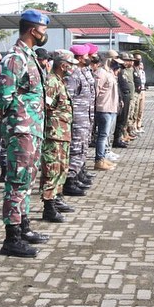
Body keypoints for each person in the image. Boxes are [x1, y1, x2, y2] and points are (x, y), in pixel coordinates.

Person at [0, 9, 49, 258]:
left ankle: (24, 226)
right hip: (21, 130)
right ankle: (11, 238)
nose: (44, 34)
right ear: (32, 30)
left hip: (32, 129)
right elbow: (4, 97)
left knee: (26, 182)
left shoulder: (29, 56)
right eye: (43, 29)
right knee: (16, 182)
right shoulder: (15, 58)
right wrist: (15, 120)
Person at [40, 50, 78, 223]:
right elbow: (44, 108)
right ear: (63, 65)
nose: (72, 68)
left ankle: (56, 198)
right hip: (53, 135)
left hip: (62, 134)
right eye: (70, 65)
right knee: (51, 170)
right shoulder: (52, 82)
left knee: (61, 168)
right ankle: (48, 207)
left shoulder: (60, 81)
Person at [64, 44, 93, 197]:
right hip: (76, 118)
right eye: (87, 56)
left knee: (81, 148)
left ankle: (75, 177)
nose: (89, 58)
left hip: (84, 117)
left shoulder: (79, 72)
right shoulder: (72, 74)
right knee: (75, 149)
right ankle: (69, 181)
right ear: (80, 58)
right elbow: (68, 98)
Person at [93, 50, 121, 171]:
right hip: (103, 108)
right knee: (102, 135)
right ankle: (99, 160)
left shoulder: (110, 73)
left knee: (107, 135)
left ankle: (103, 158)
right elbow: (96, 90)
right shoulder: (101, 73)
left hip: (112, 107)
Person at [114, 52, 136, 147]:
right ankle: (117, 139)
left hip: (126, 96)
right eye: (125, 60)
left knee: (124, 119)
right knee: (121, 119)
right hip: (122, 97)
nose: (127, 62)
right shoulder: (118, 70)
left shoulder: (124, 70)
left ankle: (119, 138)